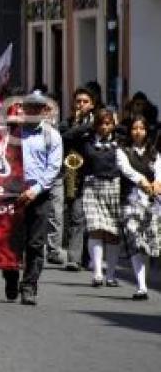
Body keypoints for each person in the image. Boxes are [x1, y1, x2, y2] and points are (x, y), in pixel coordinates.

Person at [2, 92, 63, 306]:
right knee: (10, 241)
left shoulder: (52, 136)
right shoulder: (11, 133)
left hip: (39, 194)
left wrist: (35, 190)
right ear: (23, 109)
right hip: (12, 193)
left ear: (44, 111)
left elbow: (53, 167)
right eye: (29, 108)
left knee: (35, 244)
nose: (33, 112)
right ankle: (10, 278)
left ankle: (29, 287)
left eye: (37, 108)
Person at [117, 115, 161, 300]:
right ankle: (141, 286)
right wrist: (142, 180)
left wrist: (157, 182)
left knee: (149, 243)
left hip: (152, 202)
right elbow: (126, 169)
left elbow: (159, 170)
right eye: (134, 128)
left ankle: (145, 280)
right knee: (134, 239)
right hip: (131, 200)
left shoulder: (154, 152)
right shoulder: (122, 151)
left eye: (141, 128)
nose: (138, 132)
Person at [81, 109, 122, 288]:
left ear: (113, 125)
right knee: (95, 228)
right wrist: (89, 125)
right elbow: (67, 134)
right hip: (92, 186)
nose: (104, 127)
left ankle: (111, 275)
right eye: (101, 124)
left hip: (114, 186)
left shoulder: (120, 142)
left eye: (108, 123)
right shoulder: (87, 141)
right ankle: (97, 273)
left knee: (113, 232)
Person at [58, 86, 97, 271]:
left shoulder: (99, 123)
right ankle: (74, 258)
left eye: (85, 102)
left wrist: (86, 127)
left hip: (94, 174)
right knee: (76, 215)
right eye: (78, 101)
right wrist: (82, 127)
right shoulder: (68, 123)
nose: (81, 105)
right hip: (73, 172)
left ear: (93, 104)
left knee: (92, 219)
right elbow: (64, 136)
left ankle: (89, 257)